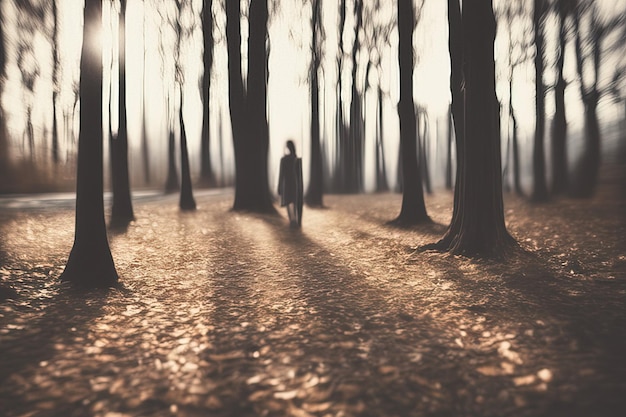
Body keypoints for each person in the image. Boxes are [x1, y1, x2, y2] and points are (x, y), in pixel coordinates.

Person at [278, 140, 303, 227]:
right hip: (292, 181)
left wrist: (280, 185)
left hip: (288, 182)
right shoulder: (295, 158)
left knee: (289, 201)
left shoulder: (285, 159)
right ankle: (294, 220)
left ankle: (292, 220)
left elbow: (281, 174)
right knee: (292, 201)